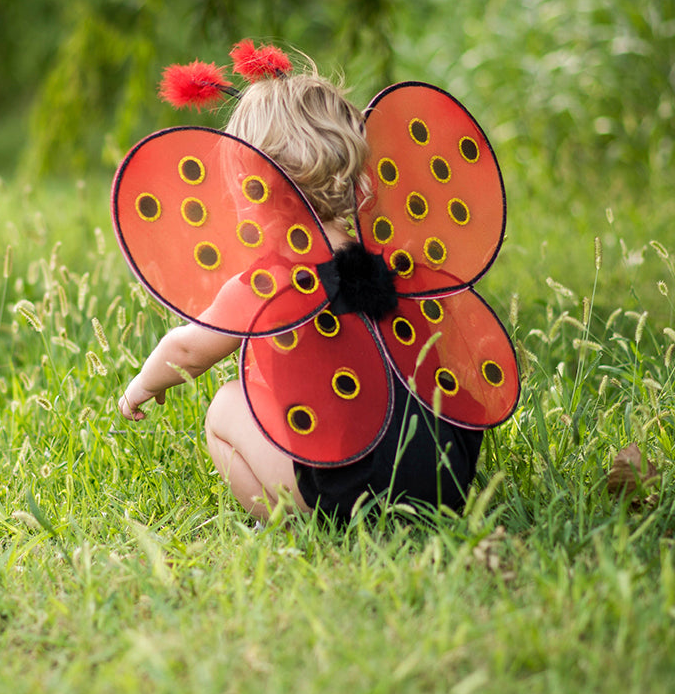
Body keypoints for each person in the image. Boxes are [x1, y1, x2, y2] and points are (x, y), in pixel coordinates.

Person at [117, 59, 484, 525]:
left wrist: (140, 387)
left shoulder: (269, 282)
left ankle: (295, 521)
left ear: (251, 189)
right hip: (442, 478)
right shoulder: (400, 266)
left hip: (352, 489)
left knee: (228, 404)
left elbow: (187, 349)